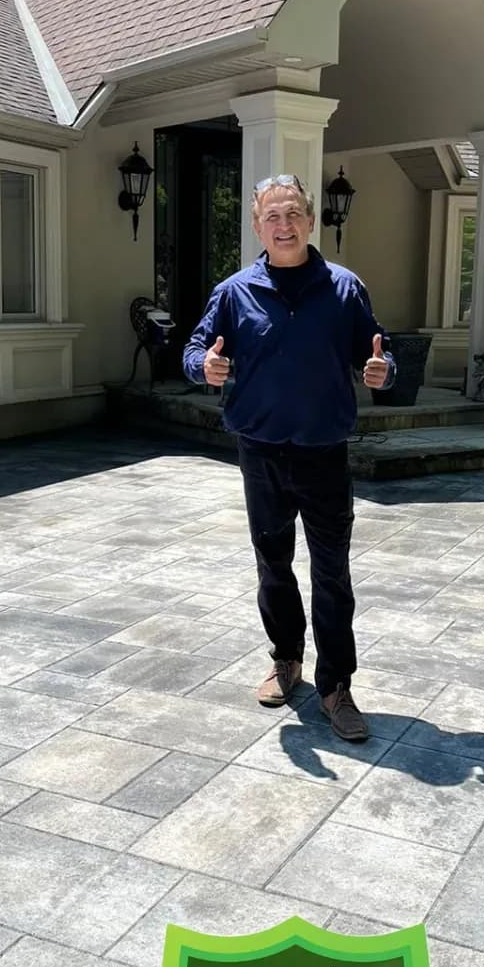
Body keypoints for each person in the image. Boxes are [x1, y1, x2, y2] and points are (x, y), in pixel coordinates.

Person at [183, 173, 395, 741]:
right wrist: (203, 366)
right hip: (261, 452)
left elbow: (377, 351)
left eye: (294, 213)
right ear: (258, 226)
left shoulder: (344, 288)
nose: (284, 225)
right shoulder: (234, 293)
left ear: (310, 220)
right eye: (272, 216)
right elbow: (195, 349)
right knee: (272, 563)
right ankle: (286, 658)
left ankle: (336, 686)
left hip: (324, 453)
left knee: (331, 573)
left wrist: (384, 370)